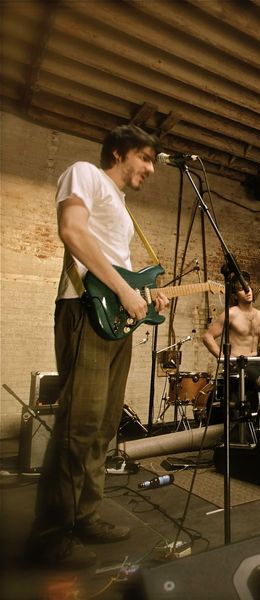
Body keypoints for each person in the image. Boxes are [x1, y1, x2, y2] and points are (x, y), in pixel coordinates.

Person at [29, 125, 170, 568]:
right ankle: (50, 536)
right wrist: (125, 293)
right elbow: (73, 232)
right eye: (144, 157)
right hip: (83, 310)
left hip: (114, 320)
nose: (150, 168)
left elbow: (121, 270)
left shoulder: (123, 207)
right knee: (79, 423)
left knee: (104, 425)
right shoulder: (84, 174)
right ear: (118, 151)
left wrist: (144, 295)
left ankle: (84, 516)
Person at [201, 272, 260, 410]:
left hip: (257, 362)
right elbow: (207, 337)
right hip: (239, 364)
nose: (248, 291)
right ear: (235, 295)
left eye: (249, 288)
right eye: (242, 289)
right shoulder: (231, 314)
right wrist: (224, 357)